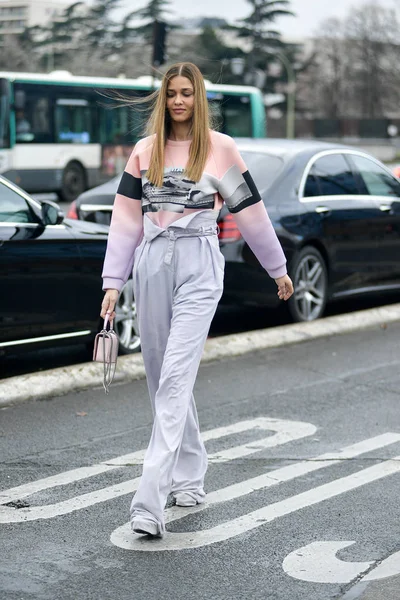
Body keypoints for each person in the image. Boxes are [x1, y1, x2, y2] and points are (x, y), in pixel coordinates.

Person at [100, 62, 294, 538]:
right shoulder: (145, 151)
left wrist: (278, 268)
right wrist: (112, 281)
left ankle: (149, 499)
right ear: (164, 100)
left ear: (198, 96)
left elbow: (251, 212)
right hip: (150, 264)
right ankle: (189, 478)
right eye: (172, 94)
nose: (179, 101)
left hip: (200, 264)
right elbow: (125, 221)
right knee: (161, 375)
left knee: (176, 375)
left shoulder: (221, 148)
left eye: (187, 93)